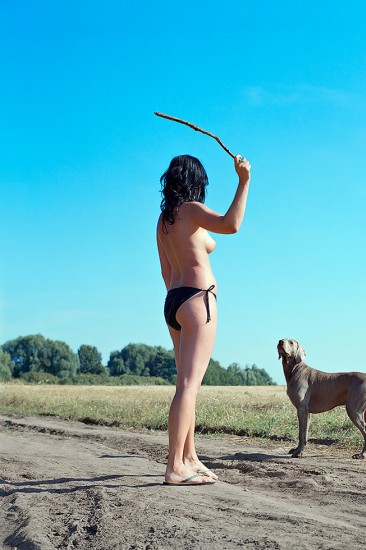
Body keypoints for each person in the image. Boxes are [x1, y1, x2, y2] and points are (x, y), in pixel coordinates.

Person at [157, 153, 251, 485]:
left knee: (187, 385)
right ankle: (174, 467)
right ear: (196, 182)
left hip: (174, 301)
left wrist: (181, 304)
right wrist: (244, 181)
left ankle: (189, 457)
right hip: (199, 300)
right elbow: (231, 225)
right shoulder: (192, 210)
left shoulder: (165, 221)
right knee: (188, 386)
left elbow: (166, 272)